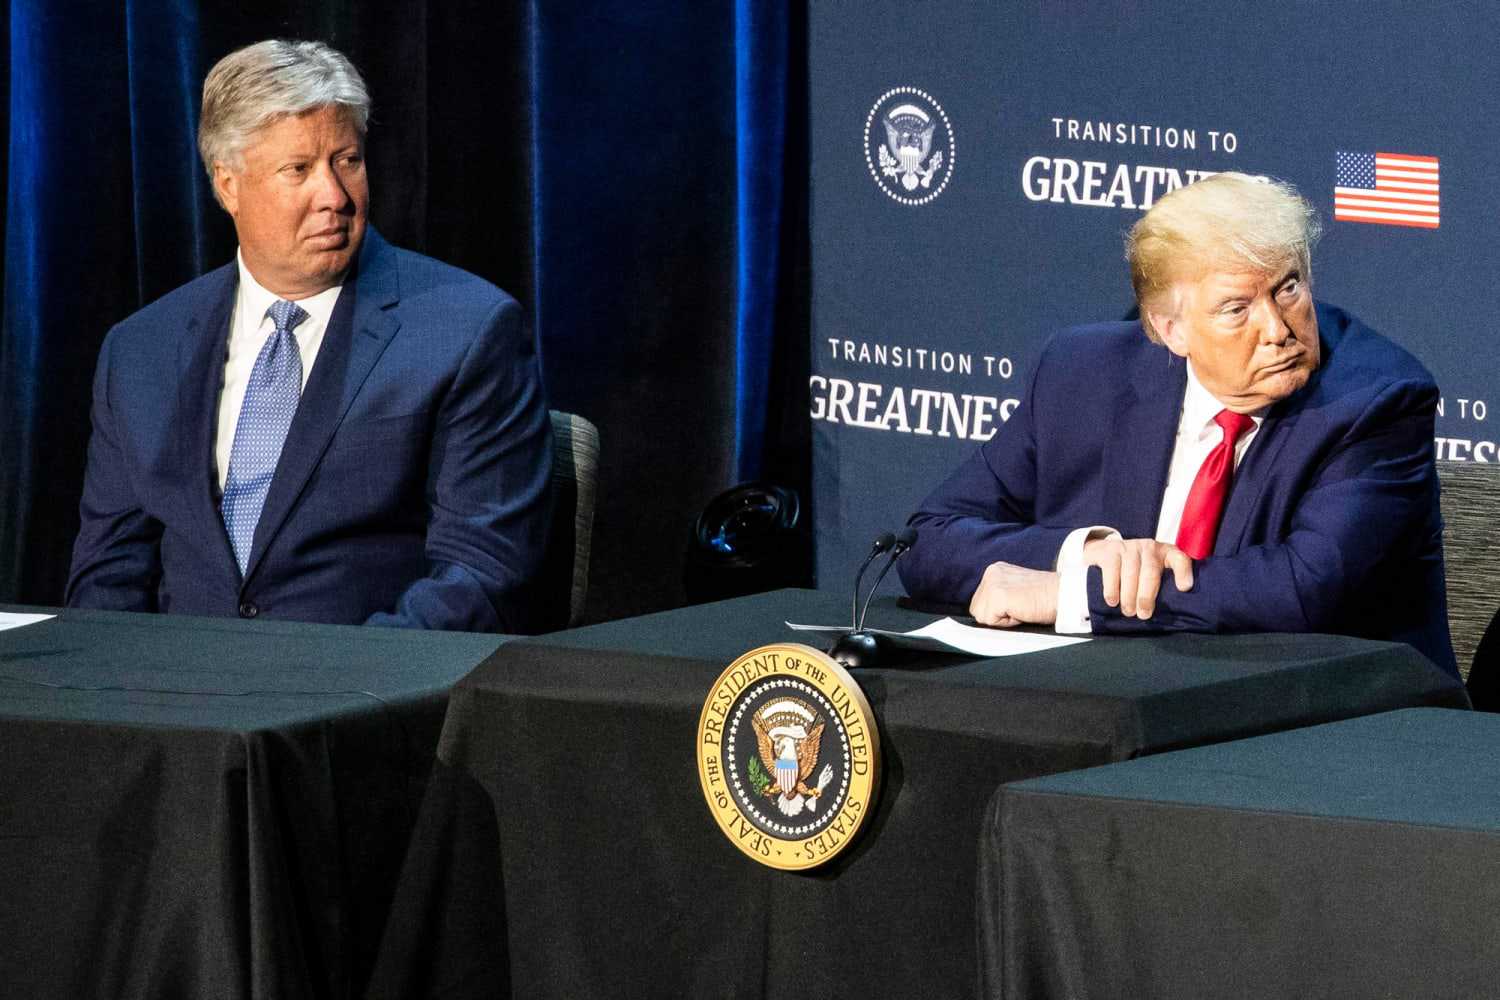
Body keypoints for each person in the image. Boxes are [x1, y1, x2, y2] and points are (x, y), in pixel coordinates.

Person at [65, 39, 553, 633]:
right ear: (228, 186)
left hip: (362, 699)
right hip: (180, 706)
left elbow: (483, 572)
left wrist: (330, 692)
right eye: (298, 169)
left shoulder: (467, 330)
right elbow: (108, 576)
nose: (335, 197)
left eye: (347, 161)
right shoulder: (139, 351)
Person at [898, 172, 1457, 678]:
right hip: (1126, 698)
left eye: (1288, 287)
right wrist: (1082, 552)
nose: (1277, 328)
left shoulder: (1376, 399)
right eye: (1236, 308)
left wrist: (1072, 595)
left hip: (1347, 723)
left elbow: (1303, 590)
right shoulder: (1082, 373)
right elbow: (927, 538)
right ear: (1171, 331)